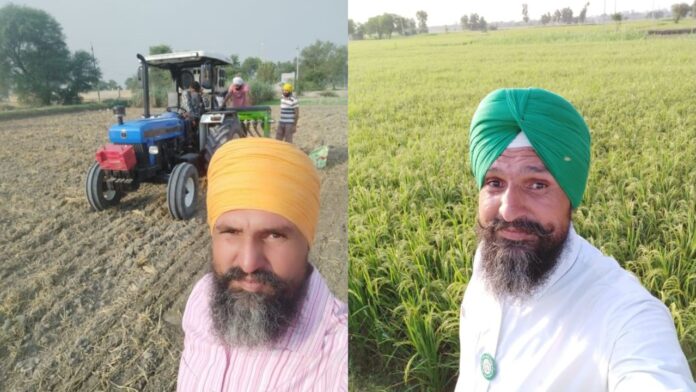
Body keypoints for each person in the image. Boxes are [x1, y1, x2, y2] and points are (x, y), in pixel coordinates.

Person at [455, 88, 694, 391]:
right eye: (494, 182)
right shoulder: (493, 255)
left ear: (571, 198)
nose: (509, 210)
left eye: (537, 184)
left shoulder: (626, 318)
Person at [177, 138, 348, 391]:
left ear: (307, 242)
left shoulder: (339, 355)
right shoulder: (202, 298)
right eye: (231, 232)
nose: (248, 264)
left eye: (274, 235)